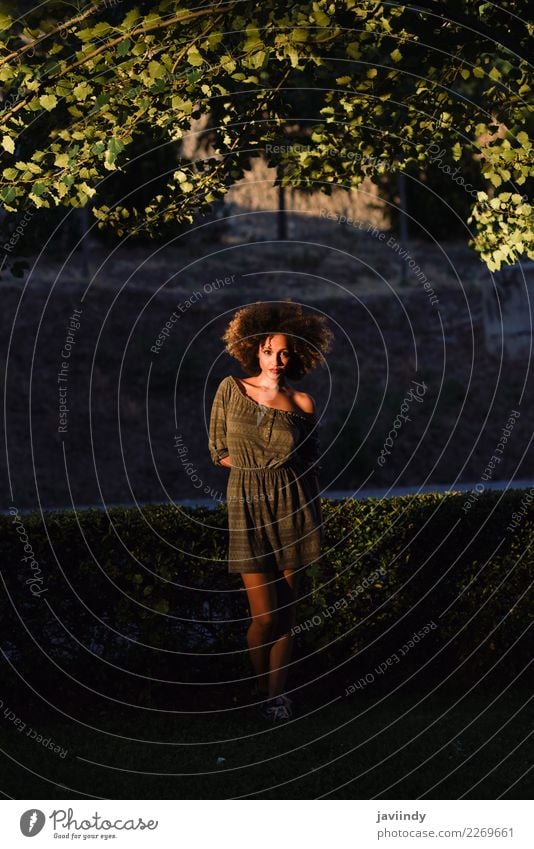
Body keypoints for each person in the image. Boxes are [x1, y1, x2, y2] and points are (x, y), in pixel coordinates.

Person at [208, 299, 333, 722]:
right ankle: (259, 687)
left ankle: (277, 697)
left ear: (296, 353)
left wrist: (315, 518)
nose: (275, 360)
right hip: (247, 506)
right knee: (264, 616)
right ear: (252, 349)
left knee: (287, 615)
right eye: (267, 350)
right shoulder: (231, 389)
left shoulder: (303, 403)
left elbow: (313, 463)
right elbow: (218, 451)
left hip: (295, 510)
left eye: (283, 352)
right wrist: (254, 469)